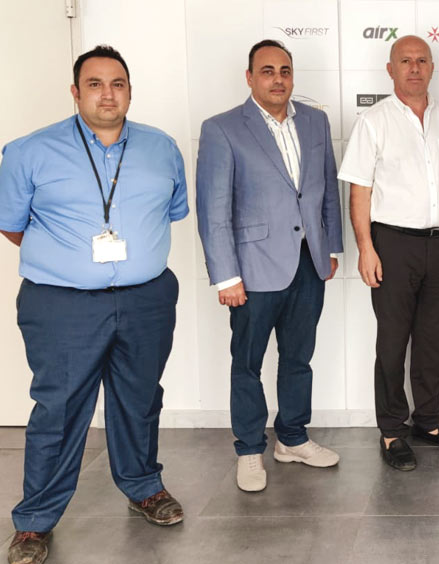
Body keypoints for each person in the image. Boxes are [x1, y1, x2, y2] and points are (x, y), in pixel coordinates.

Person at [0, 45, 188, 564]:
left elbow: (172, 212)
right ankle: (35, 521)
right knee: (59, 410)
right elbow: (11, 225)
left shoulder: (162, 148)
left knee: (140, 399)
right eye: (95, 84)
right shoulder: (28, 152)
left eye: (118, 83)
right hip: (62, 305)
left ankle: (143, 486)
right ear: (75, 91)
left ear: (130, 90)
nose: (108, 94)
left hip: (147, 299)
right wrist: (69, 261)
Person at [338, 35, 439, 471]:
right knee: (393, 341)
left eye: (422, 61)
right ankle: (392, 430)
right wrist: (366, 248)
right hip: (392, 244)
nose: (414, 68)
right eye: (405, 61)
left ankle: (428, 422)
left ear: (432, 67)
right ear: (390, 69)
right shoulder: (373, 121)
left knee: (432, 338)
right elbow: (359, 191)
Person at [196, 39, 343, 492]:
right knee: (248, 363)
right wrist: (226, 275)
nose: (277, 79)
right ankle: (248, 450)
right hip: (252, 269)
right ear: (249, 77)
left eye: (284, 70)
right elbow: (213, 209)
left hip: (308, 264)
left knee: (298, 358)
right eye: (267, 71)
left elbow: (326, 189)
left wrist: (331, 248)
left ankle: (292, 438)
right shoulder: (222, 129)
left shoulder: (316, 121)